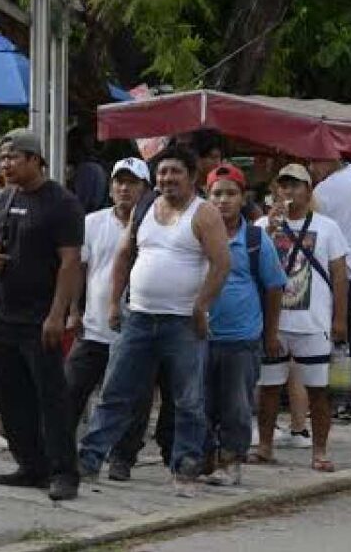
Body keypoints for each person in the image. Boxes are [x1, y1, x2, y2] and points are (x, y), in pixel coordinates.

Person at [78, 144, 230, 498]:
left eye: (175, 172)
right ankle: (89, 460)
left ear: (192, 176)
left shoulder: (204, 213)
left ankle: (186, 469)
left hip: (182, 324)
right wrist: (115, 303)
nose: (167, 178)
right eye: (162, 172)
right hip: (139, 318)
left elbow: (222, 264)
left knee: (188, 401)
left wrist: (201, 307)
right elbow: (123, 256)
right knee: (115, 392)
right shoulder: (145, 207)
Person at [0, 130, 83, 501]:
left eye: (13, 158)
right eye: (2, 158)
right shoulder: (6, 197)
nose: (5, 165)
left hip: (41, 317)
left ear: (35, 159)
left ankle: (63, 472)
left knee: (51, 397)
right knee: (12, 396)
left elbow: (70, 261)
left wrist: (58, 313)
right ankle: (31, 465)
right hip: (5, 314)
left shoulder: (62, 203)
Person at [252, 164, 349, 471]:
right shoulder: (264, 224)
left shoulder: (327, 227)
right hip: (275, 322)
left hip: (313, 322)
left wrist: (340, 319)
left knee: (318, 390)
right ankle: (265, 446)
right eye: (284, 186)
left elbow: (339, 276)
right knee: (269, 388)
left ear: (308, 191)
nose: (289, 192)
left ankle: (319, 451)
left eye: (296, 186)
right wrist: (268, 230)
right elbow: (252, 263)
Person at [64, 158, 151, 481]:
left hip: (137, 330)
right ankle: (61, 451)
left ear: (145, 188)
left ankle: (123, 457)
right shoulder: (92, 223)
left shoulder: (154, 223)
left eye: (132, 183)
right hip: (94, 326)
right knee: (71, 389)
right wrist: (73, 310)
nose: (124, 188)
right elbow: (79, 268)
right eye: (119, 182)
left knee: (135, 399)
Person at [202, 163, 288, 486]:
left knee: (236, 406)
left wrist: (270, 333)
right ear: (206, 198)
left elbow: (275, 286)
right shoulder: (196, 234)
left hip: (242, 337)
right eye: (216, 193)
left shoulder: (255, 239)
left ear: (243, 198)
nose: (223, 200)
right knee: (201, 402)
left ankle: (230, 462)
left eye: (230, 194)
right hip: (201, 335)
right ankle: (203, 458)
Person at [310, 157, 351, 409]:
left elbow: (308, 222)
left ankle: (333, 394)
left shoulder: (324, 191)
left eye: (313, 163)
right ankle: (347, 391)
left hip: (331, 271)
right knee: (343, 335)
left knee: (332, 333)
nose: (312, 170)